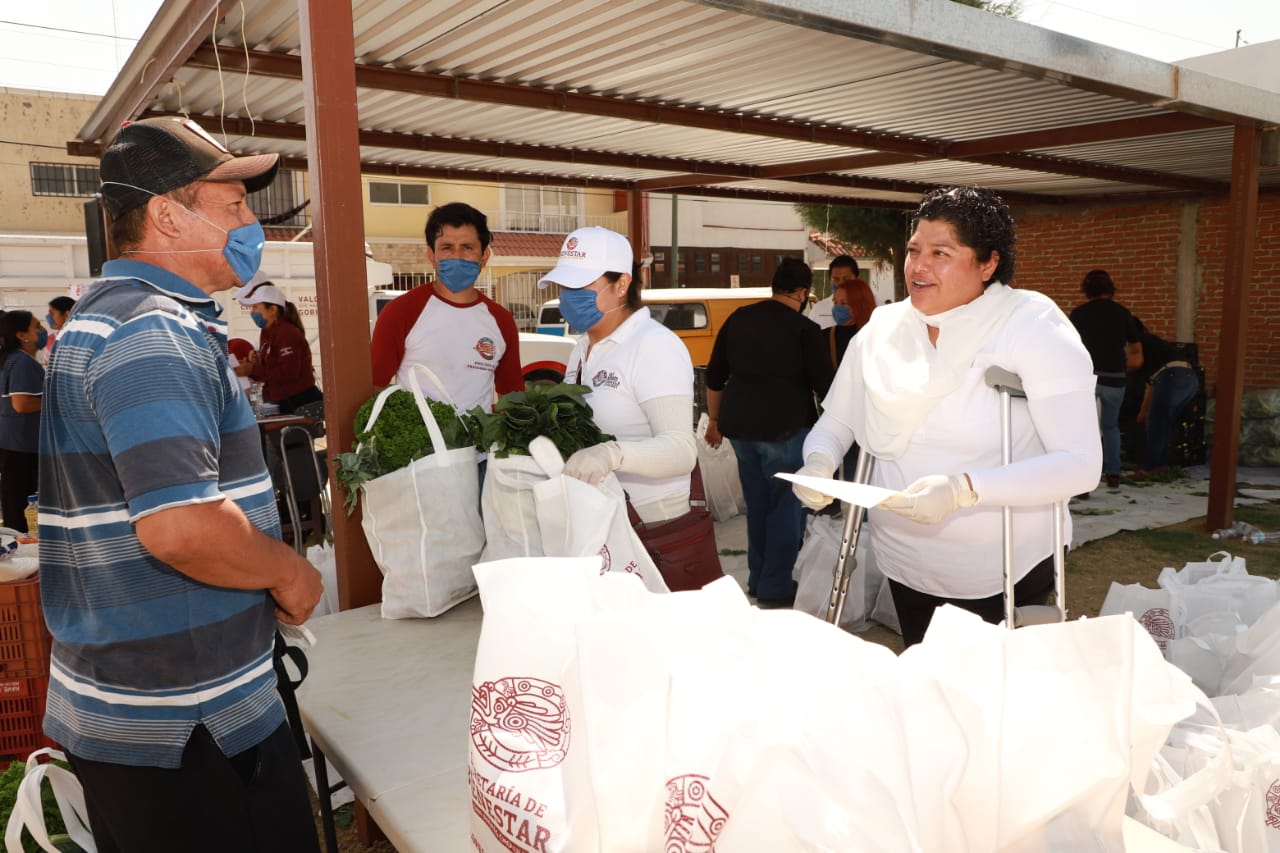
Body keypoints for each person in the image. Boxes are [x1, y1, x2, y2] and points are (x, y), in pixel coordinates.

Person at [39, 115, 323, 852]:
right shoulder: (150, 332)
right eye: (232, 205)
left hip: (148, 713)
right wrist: (290, 571)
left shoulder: (116, 320)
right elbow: (180, 527)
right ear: (167, 213)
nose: (250, 223)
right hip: (187, 725)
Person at [792, 186, 1100, 647]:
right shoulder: (883, 331)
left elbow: (1080, 462)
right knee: (929, 684)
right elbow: (836, 423)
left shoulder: (1032, 327)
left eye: (941, 253)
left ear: (988, 263)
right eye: (915, 250)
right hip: (906, 561)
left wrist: (965, 490)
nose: (918, 266)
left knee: (997, 702)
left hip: (1003, 564)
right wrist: (818, 462)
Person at [537, 227, 697, 526]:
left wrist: (610, 455)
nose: (569, 297)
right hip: (600, 514)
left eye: (580, 285)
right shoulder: (583, 346)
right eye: (564, 286)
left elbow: (681, 451)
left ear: (622, 283)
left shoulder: (653, 345)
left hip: (650, 521)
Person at [704, 257, 834, 607]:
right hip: (787, 429)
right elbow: (827, 386)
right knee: (785, 508)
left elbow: (714, 377)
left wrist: (714, 421)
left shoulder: (739, 318)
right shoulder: (804, 330)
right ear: (805, 293)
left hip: (741, 429)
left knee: (758, 504)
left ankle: (758, 578)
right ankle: (775, 587)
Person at [370, 202, 522, 412]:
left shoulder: (501, 320)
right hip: (421, 444)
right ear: (432, 255)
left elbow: (511, 399)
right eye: (447, 247)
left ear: (484, 256)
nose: (457, 256)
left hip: (481, 444)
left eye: (467, 247)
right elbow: (374, 387)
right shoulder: (401, 312)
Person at [1069, 269, 1141, 490]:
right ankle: (1113, 475)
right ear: (1111, 289)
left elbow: (1069, 347)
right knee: (1110, 426)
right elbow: (1136, 349)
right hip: (1115, 379)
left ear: (1087, 290)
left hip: (1088, 379)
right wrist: (1123, 367)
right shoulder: (1122, 313)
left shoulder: (1079, 314)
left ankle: (1084, 480)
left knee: (1085, 429)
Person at [232, 273, 323, 414]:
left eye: (255, 307)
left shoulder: (287, 333)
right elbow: (270, 372)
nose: (252, 312)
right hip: (281, 401)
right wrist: (254, 364)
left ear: (273, 310)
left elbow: (289, 373)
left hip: (299, 402)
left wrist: (252, 370)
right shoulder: (267, 332)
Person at [1129, 317, 1199, 478]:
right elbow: (1151, 384)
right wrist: (1144, 412)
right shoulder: (1154, 343)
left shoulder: (1138, 344)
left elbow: (1142, 372)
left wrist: (1144, 413)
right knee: (1164, 423)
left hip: (1173, 376)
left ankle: (1150, 467)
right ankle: (1160, 465)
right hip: (1189, 378)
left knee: (1157, 424)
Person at [0, 310, 45, 533]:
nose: (43, 330)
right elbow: (22, 404)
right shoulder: (22, 362)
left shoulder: (14, 360)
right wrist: (59, 401)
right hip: (22, 444)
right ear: (22, 335)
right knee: (21, 503)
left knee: (15, 501)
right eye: (37, 326)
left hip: (15, 441)